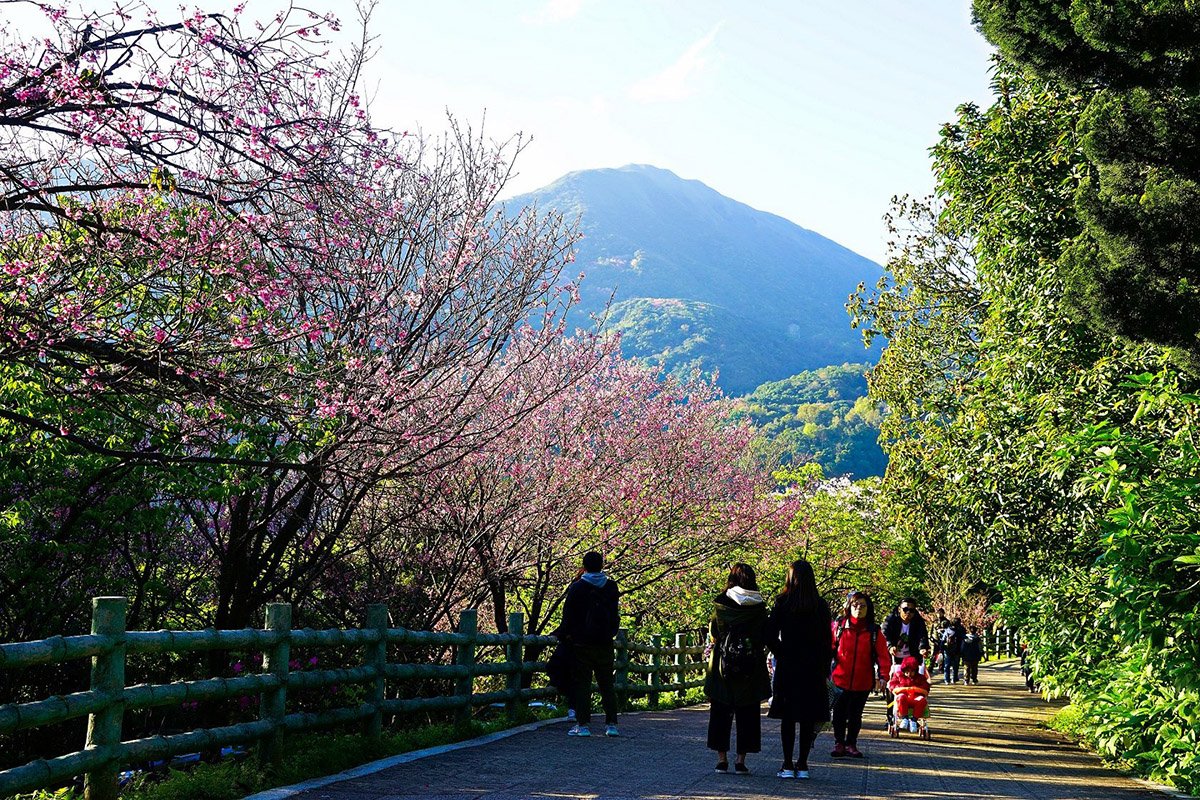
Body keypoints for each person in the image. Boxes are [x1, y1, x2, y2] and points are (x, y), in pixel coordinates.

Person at [764, 560, 831, 780]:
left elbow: (770, 635)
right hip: (812, 667)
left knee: (788, 718)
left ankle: (786, 764)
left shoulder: (783, 602)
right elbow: (826, 640)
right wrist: (823, 667)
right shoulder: (820, 605)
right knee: (807, 717)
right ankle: (803, 764)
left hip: (789, 666)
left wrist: (782, 652)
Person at [705, 562, 770, 775]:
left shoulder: (721, 604)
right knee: (748, 712)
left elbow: (715, 631)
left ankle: (721, 760)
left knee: (720, 711)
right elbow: (765, 635)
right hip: (750, 666)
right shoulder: (759, 606)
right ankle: (741, 761)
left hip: (723, 665)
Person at [558, 551, 620, 737]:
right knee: (607, 684)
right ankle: (611, 724)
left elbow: (568, 616)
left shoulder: (577, 587)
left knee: (582, 684)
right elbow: (615, 613)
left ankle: (583, 725)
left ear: (584, 566)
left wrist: (566, 635)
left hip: (582, 643)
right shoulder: (611, 586)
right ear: (602, 565)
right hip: (604, 642)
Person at [829, 591, 891, 758]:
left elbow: (883, 656)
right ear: (849, 607)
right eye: (855, 605)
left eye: (863, 606)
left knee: (856, 714)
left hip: (863, 681)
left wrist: (884, 676)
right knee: (839, 714)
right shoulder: (839, 626)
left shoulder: (874, 631)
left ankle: (851, 744)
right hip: (840, 679)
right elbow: (828, 649)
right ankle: (839, 743)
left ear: (868, 609)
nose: (858, 609)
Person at [881, 598, 930, 727]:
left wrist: (923, 647)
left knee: (914, 688)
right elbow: (884, 634)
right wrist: (890, 645)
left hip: (911, 659)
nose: (908, 612)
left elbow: (922, 636)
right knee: (892, 688)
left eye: (912, 610)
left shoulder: (918, 621)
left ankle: (913, 716)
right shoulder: (891, 620)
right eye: (905, 609)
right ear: (899, 609)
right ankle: (891, 717)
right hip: (894, 657)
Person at [887, 655, 931, 735]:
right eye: (907, 672)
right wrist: (903, 689)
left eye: (912, 671)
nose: (909, 674)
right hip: (904, 699)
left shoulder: (920, 678)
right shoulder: (898, 675)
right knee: (901, 697)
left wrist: (916, 689)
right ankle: (904, 717)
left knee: (922, 700)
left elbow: (926, 687)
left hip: (915, 698)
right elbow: (892, 685)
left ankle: (914, 720)